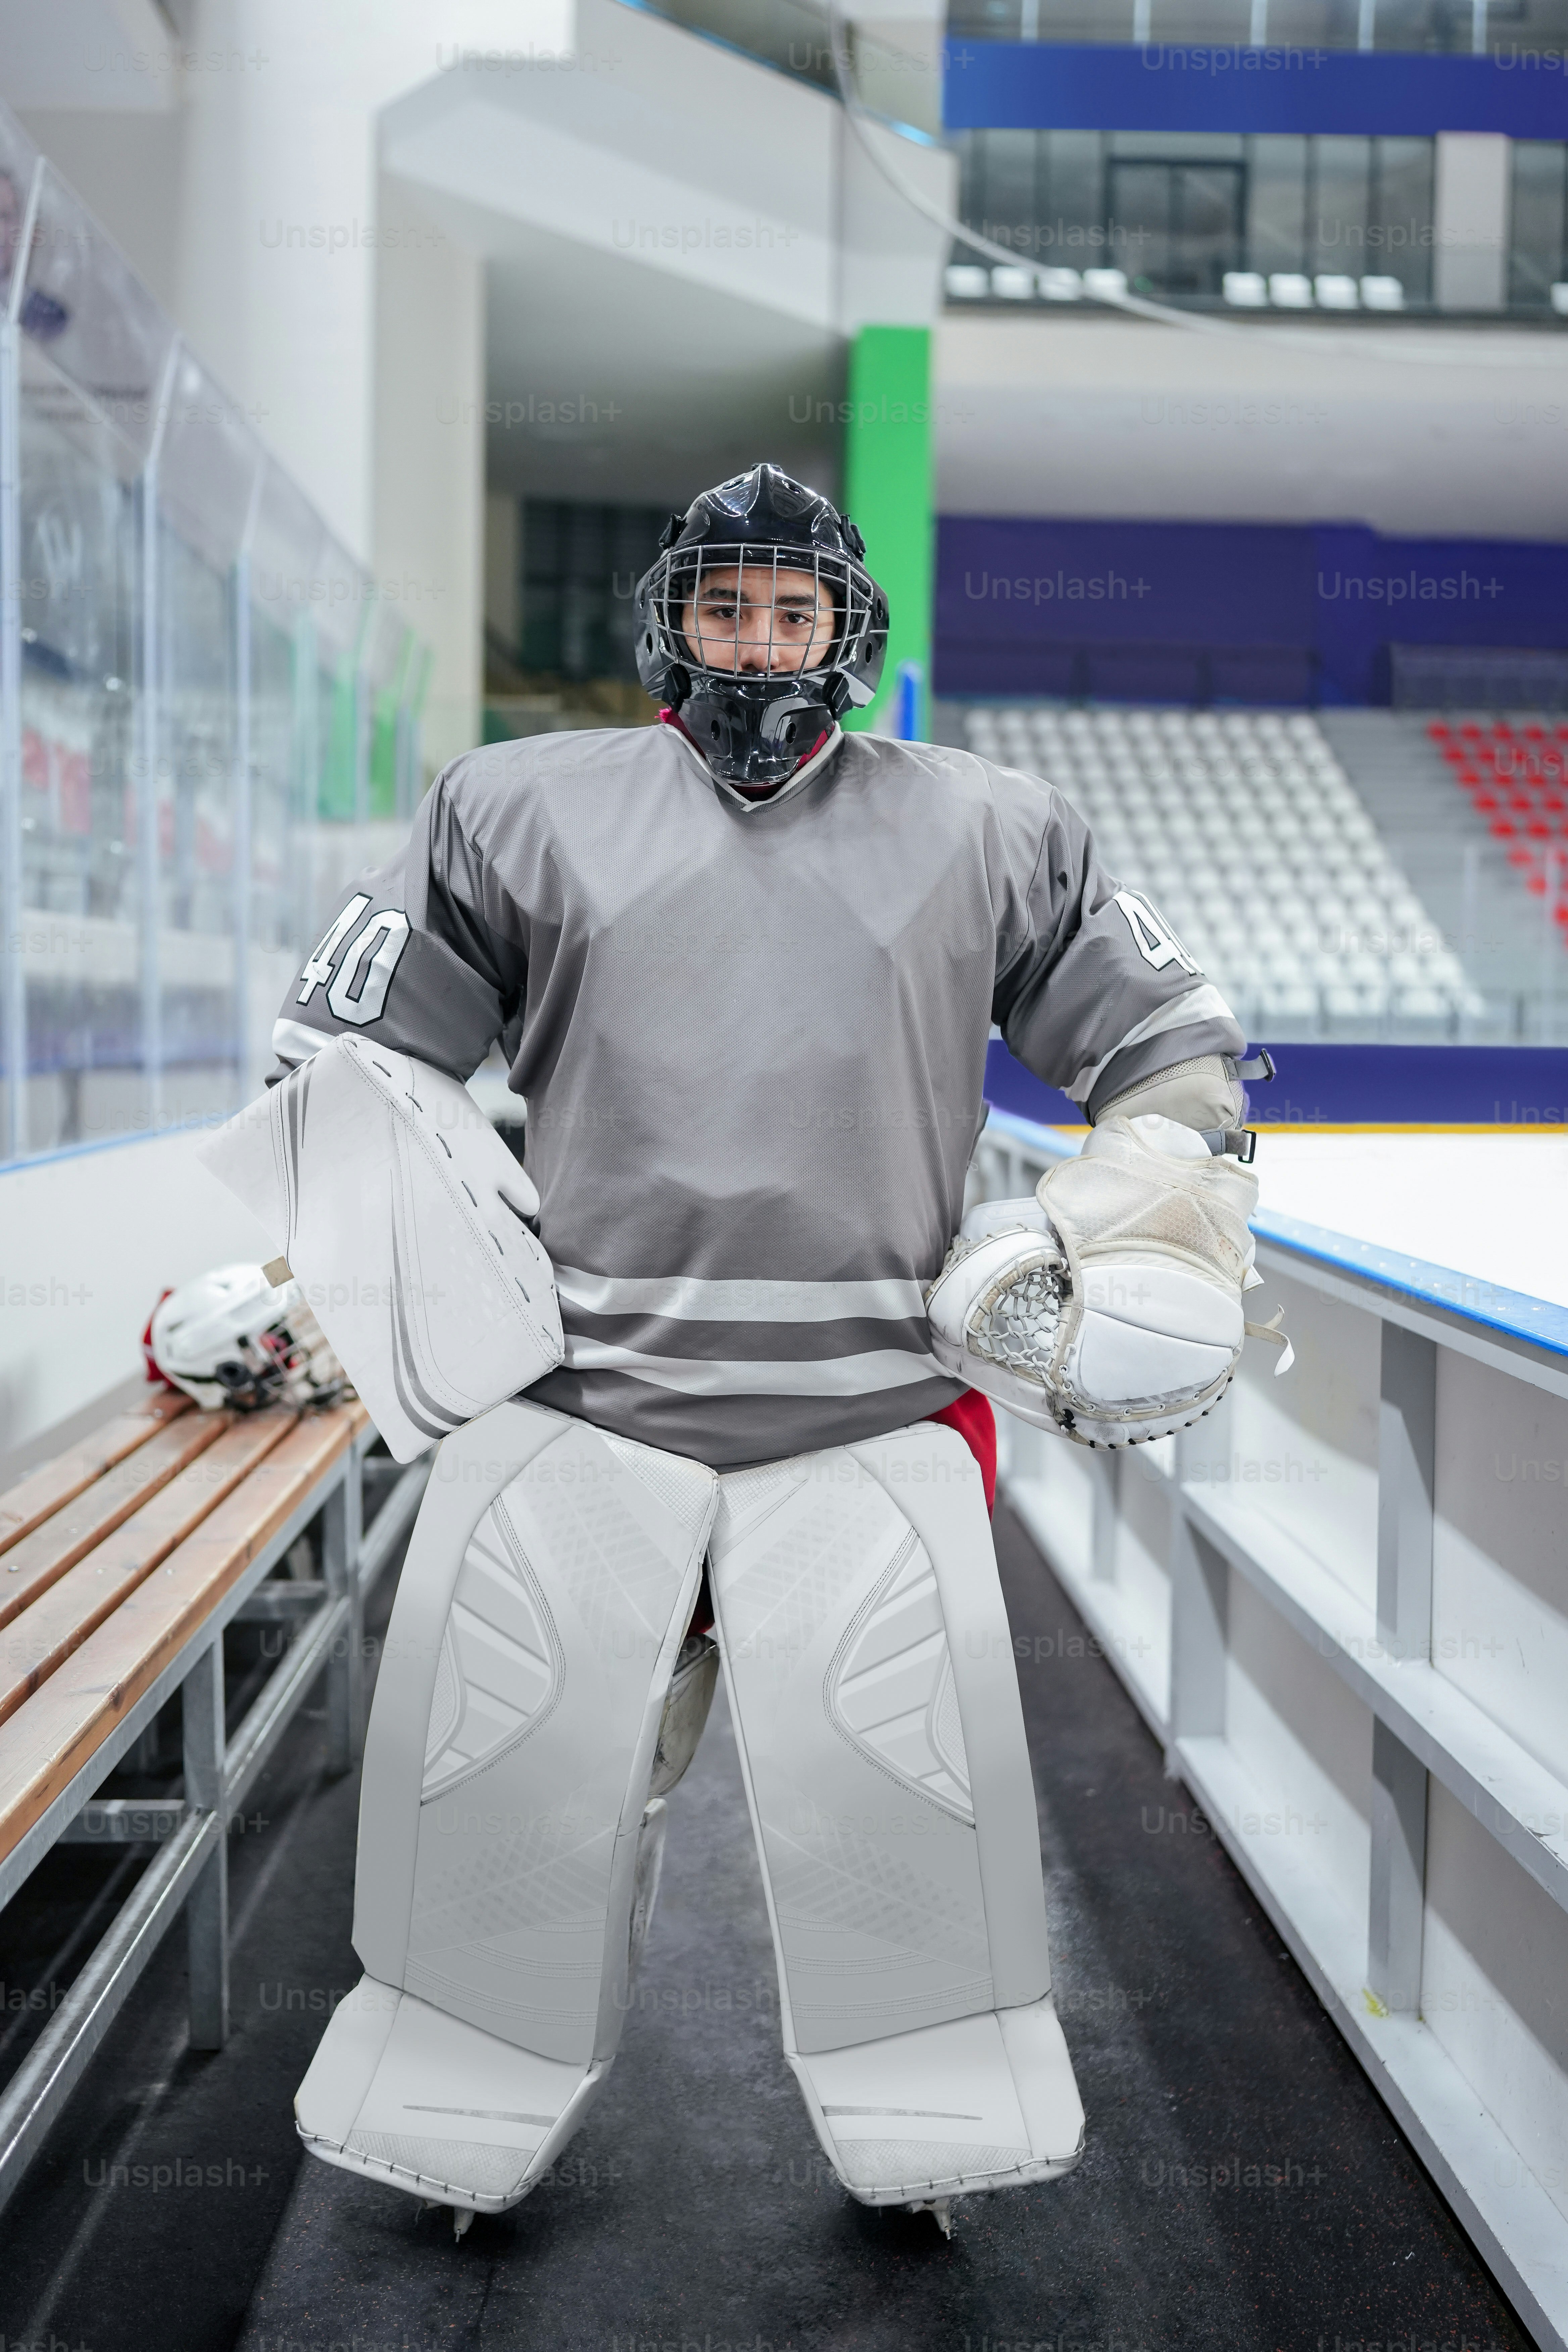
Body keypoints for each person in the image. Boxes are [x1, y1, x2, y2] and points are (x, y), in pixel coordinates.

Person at [231, 462, 1265, 2236]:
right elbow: (344, 1063)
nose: (762, 642)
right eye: (729, 608)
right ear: (670, 622)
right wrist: (348, 1258)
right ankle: (459, 2119)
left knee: (895, 1826)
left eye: (796, 610)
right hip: (581, 1416)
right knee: (515, 1811)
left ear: (849, 630)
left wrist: (1107, 1238)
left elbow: (1175, 1059)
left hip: (872, 1425)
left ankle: (927, 2139)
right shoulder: (511, 811)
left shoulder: (993, 827)